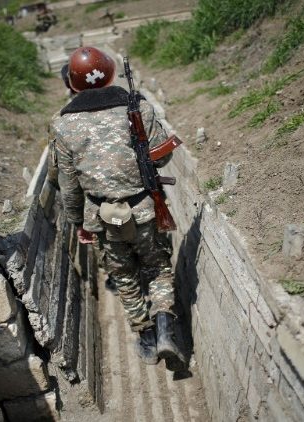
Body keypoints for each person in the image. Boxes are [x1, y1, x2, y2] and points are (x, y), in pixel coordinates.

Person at [50, 46, 185, 371]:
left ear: (72, 83)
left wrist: (78, 222)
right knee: (157, 268)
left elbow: (68, 186)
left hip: (102, 218)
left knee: (123, 276)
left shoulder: (62, 124)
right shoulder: (137, 107)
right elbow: (162, 156)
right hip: (145, 209)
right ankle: (166, 325)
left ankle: (147, 337)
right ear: (110, 72)